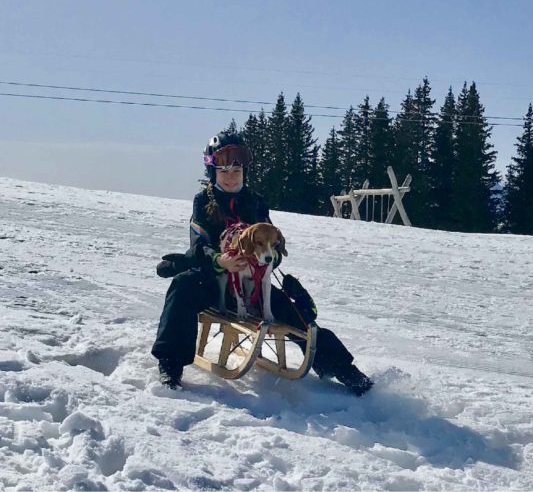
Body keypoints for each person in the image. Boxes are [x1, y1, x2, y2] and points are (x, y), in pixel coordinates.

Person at [151, 132, 374, 395]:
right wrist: (220, 260)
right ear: (213, 172)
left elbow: (274, 248)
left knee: (293, 312)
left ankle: (343, 369)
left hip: (254, 284)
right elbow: (198, 246)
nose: (232, 176)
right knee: (182, 285)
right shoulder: (203, 201)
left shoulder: (255, 202)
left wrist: (268, 260)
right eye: (224, 171)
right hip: (213, 281)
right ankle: (171, 365)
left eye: (237, 170)